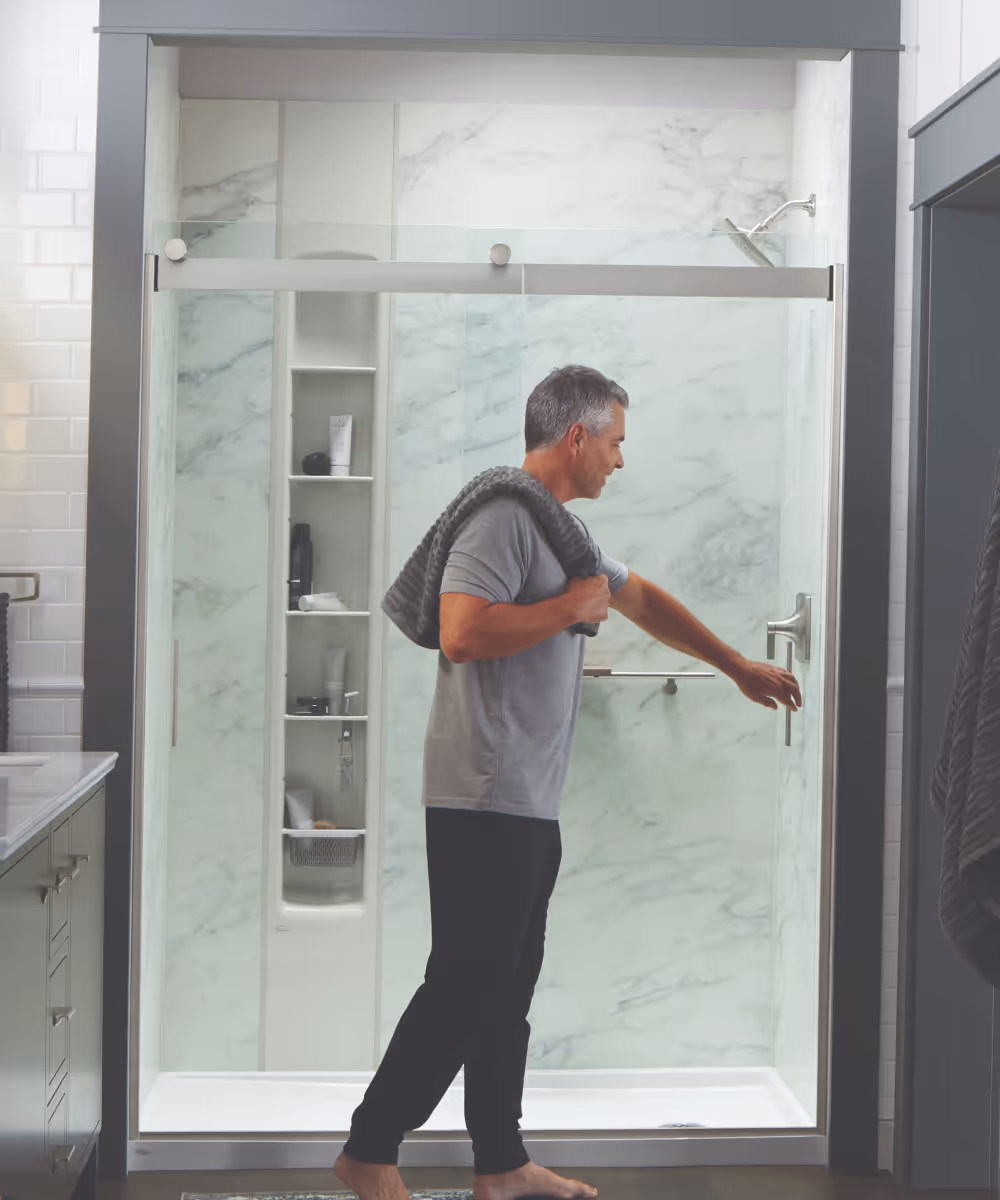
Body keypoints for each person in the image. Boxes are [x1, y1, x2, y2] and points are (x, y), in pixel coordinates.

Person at [335, 365, 801, 1200]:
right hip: (483, 792)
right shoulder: (504, 517)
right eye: (615, 441)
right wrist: (568, 610)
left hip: (523, 797)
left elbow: (639, 598)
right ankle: (369, 1148)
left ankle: (500, 1163)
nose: (621, 459)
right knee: (466, 982)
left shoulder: (562, 535)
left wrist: (734, 665)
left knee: (505, 989)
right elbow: (461, 631)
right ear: (577, 436)